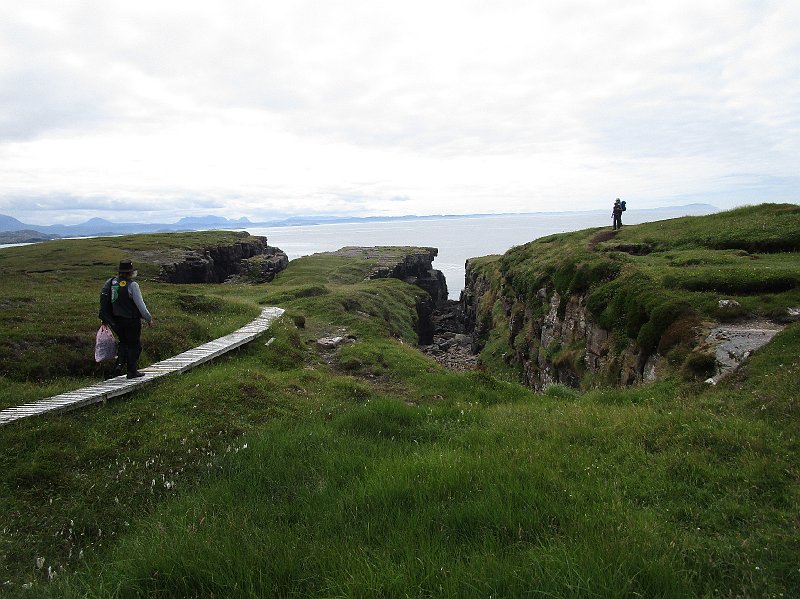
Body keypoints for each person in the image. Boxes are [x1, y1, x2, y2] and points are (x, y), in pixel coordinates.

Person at [99, 259, 154, 378]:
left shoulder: (112, 282)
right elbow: (140, 305)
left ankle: (119, 366)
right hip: (131, 320)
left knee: (123, 343)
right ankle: (132, 371)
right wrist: (148, 318)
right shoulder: (133, 285)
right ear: (130, 272)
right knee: (134, 345)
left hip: (116, 321)